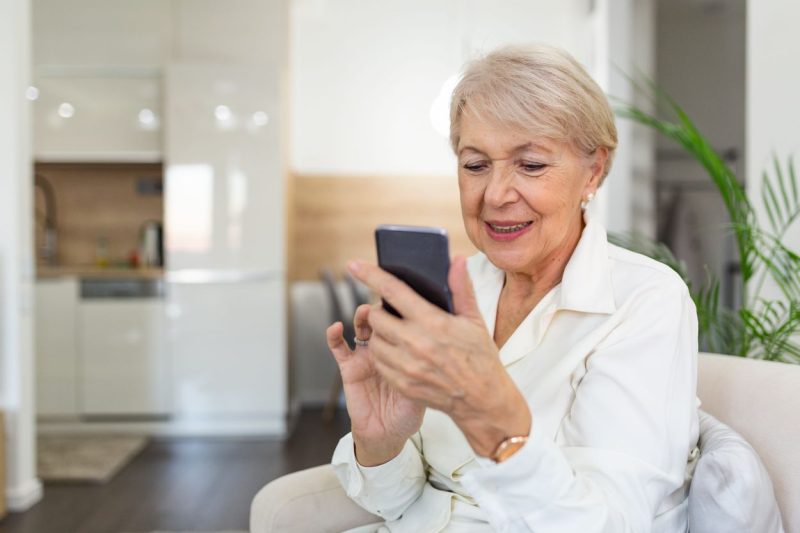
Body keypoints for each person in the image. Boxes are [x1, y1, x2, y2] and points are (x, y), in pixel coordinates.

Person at [326, 44, 699, 533]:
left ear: (593, 171)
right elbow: (395, 503)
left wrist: (489, 412)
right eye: (475, 165)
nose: (497, 194)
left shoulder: (645, 301)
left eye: (532, 165)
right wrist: (381, 440)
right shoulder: (456, 290)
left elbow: (608, 525)